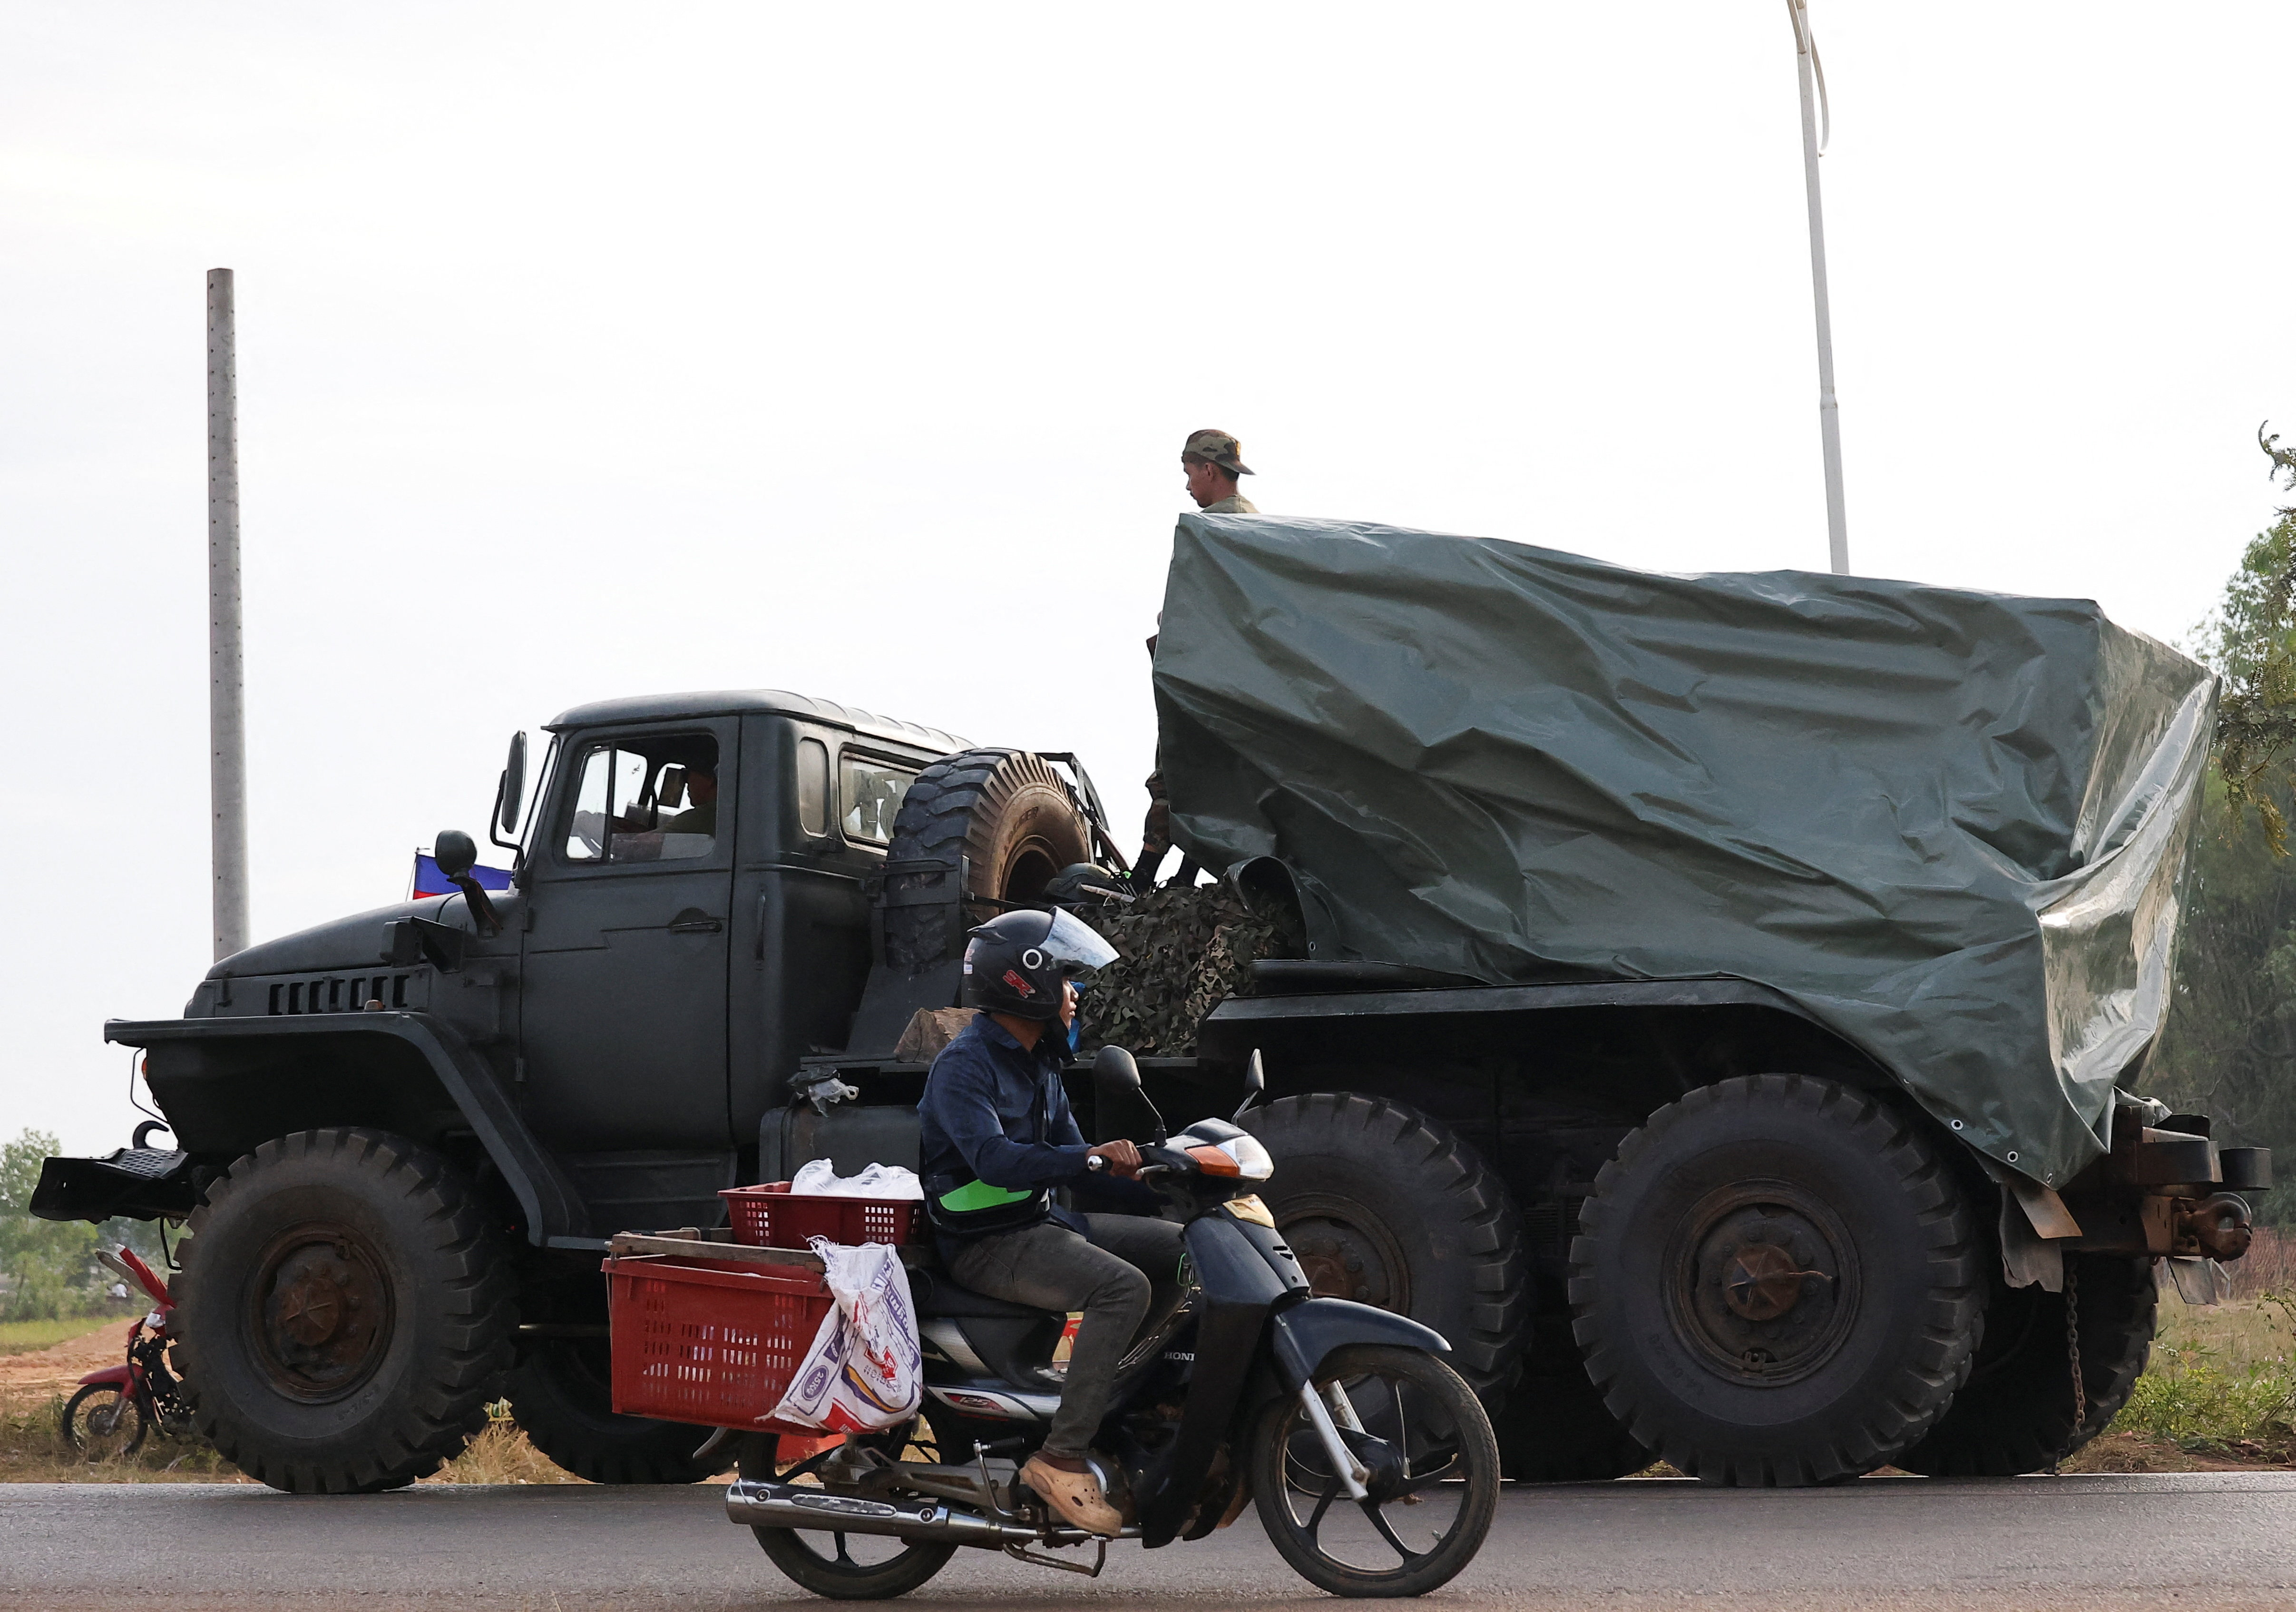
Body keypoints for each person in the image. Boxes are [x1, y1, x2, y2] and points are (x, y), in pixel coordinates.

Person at [916, 908, 1184, 1536]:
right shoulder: (965, 1066)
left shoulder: (1041, 1064)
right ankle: (1061, 1455)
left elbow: (1077, 1165)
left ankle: (1117, 1402)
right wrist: (1089, 1157)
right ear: (1025, 982)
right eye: (1065, 979)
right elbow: (994, 1159)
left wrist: (1160, 1177)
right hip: (986, 1244)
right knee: (1123, 1288)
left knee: (1184, 1250)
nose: (1074, 993)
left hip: (1042, 1223)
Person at [1181, 427, 1258, 514]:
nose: (1188, 487)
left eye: (1190, 475)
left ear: (1209, 471)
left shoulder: (1209, 520)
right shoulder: (1254, 515)